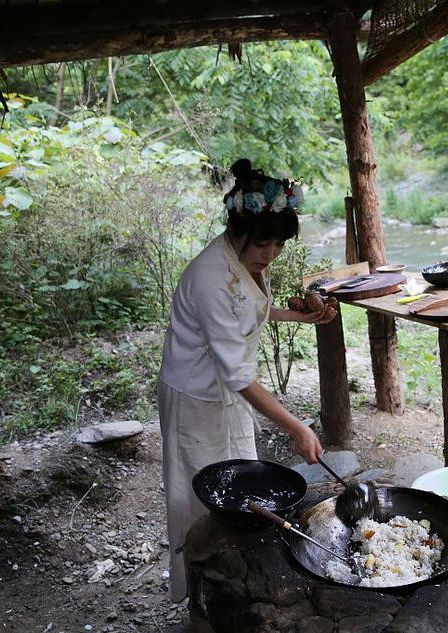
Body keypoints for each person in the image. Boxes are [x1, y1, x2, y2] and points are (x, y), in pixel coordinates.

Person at [158, 158, 337, 602]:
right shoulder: (209, 278)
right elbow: (238, 373)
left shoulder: (244, 259)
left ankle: (238, 578)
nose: (270, 254)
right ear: (236, 229)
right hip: (196, 396)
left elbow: (249, 311)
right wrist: (296, 425)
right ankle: (201, 595)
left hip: (229, 392)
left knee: (240, 479)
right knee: (199, 494)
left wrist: (296, 315)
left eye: (278, 245)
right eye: (264, 244)